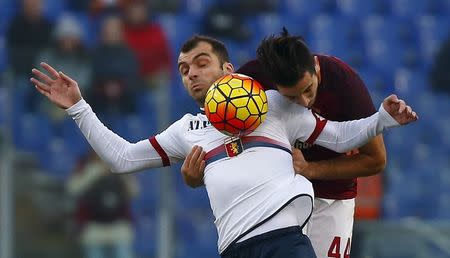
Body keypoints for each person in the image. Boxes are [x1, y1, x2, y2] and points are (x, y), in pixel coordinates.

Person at [30, 35, 417, 258]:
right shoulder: (187, 129)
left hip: (287, 239)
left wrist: (382, 119)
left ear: (231, 71)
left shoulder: (275, 104)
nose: (192, 73)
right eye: (183, 69)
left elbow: (339, 137)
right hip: (234, 248)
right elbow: (122, 158)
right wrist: (79, 108)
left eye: (200, 62)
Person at [179, 30, 396, 257]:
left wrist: (310, 169)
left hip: (332, 196)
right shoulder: (250, 83)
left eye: (308, 90)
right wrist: (198, 175)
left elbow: (376, 161)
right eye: (291, 98)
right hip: (273, 199)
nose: (303, 103)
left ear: (316, 67)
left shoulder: (345, 85)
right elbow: (225, 142)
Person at [67, 150, 138, 258]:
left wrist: (120, 171)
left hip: (118, 226)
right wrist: (95, 171)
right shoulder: (85, 164)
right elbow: (73, 189)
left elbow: (134, 192)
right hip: (93, 226)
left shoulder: (121, 164)